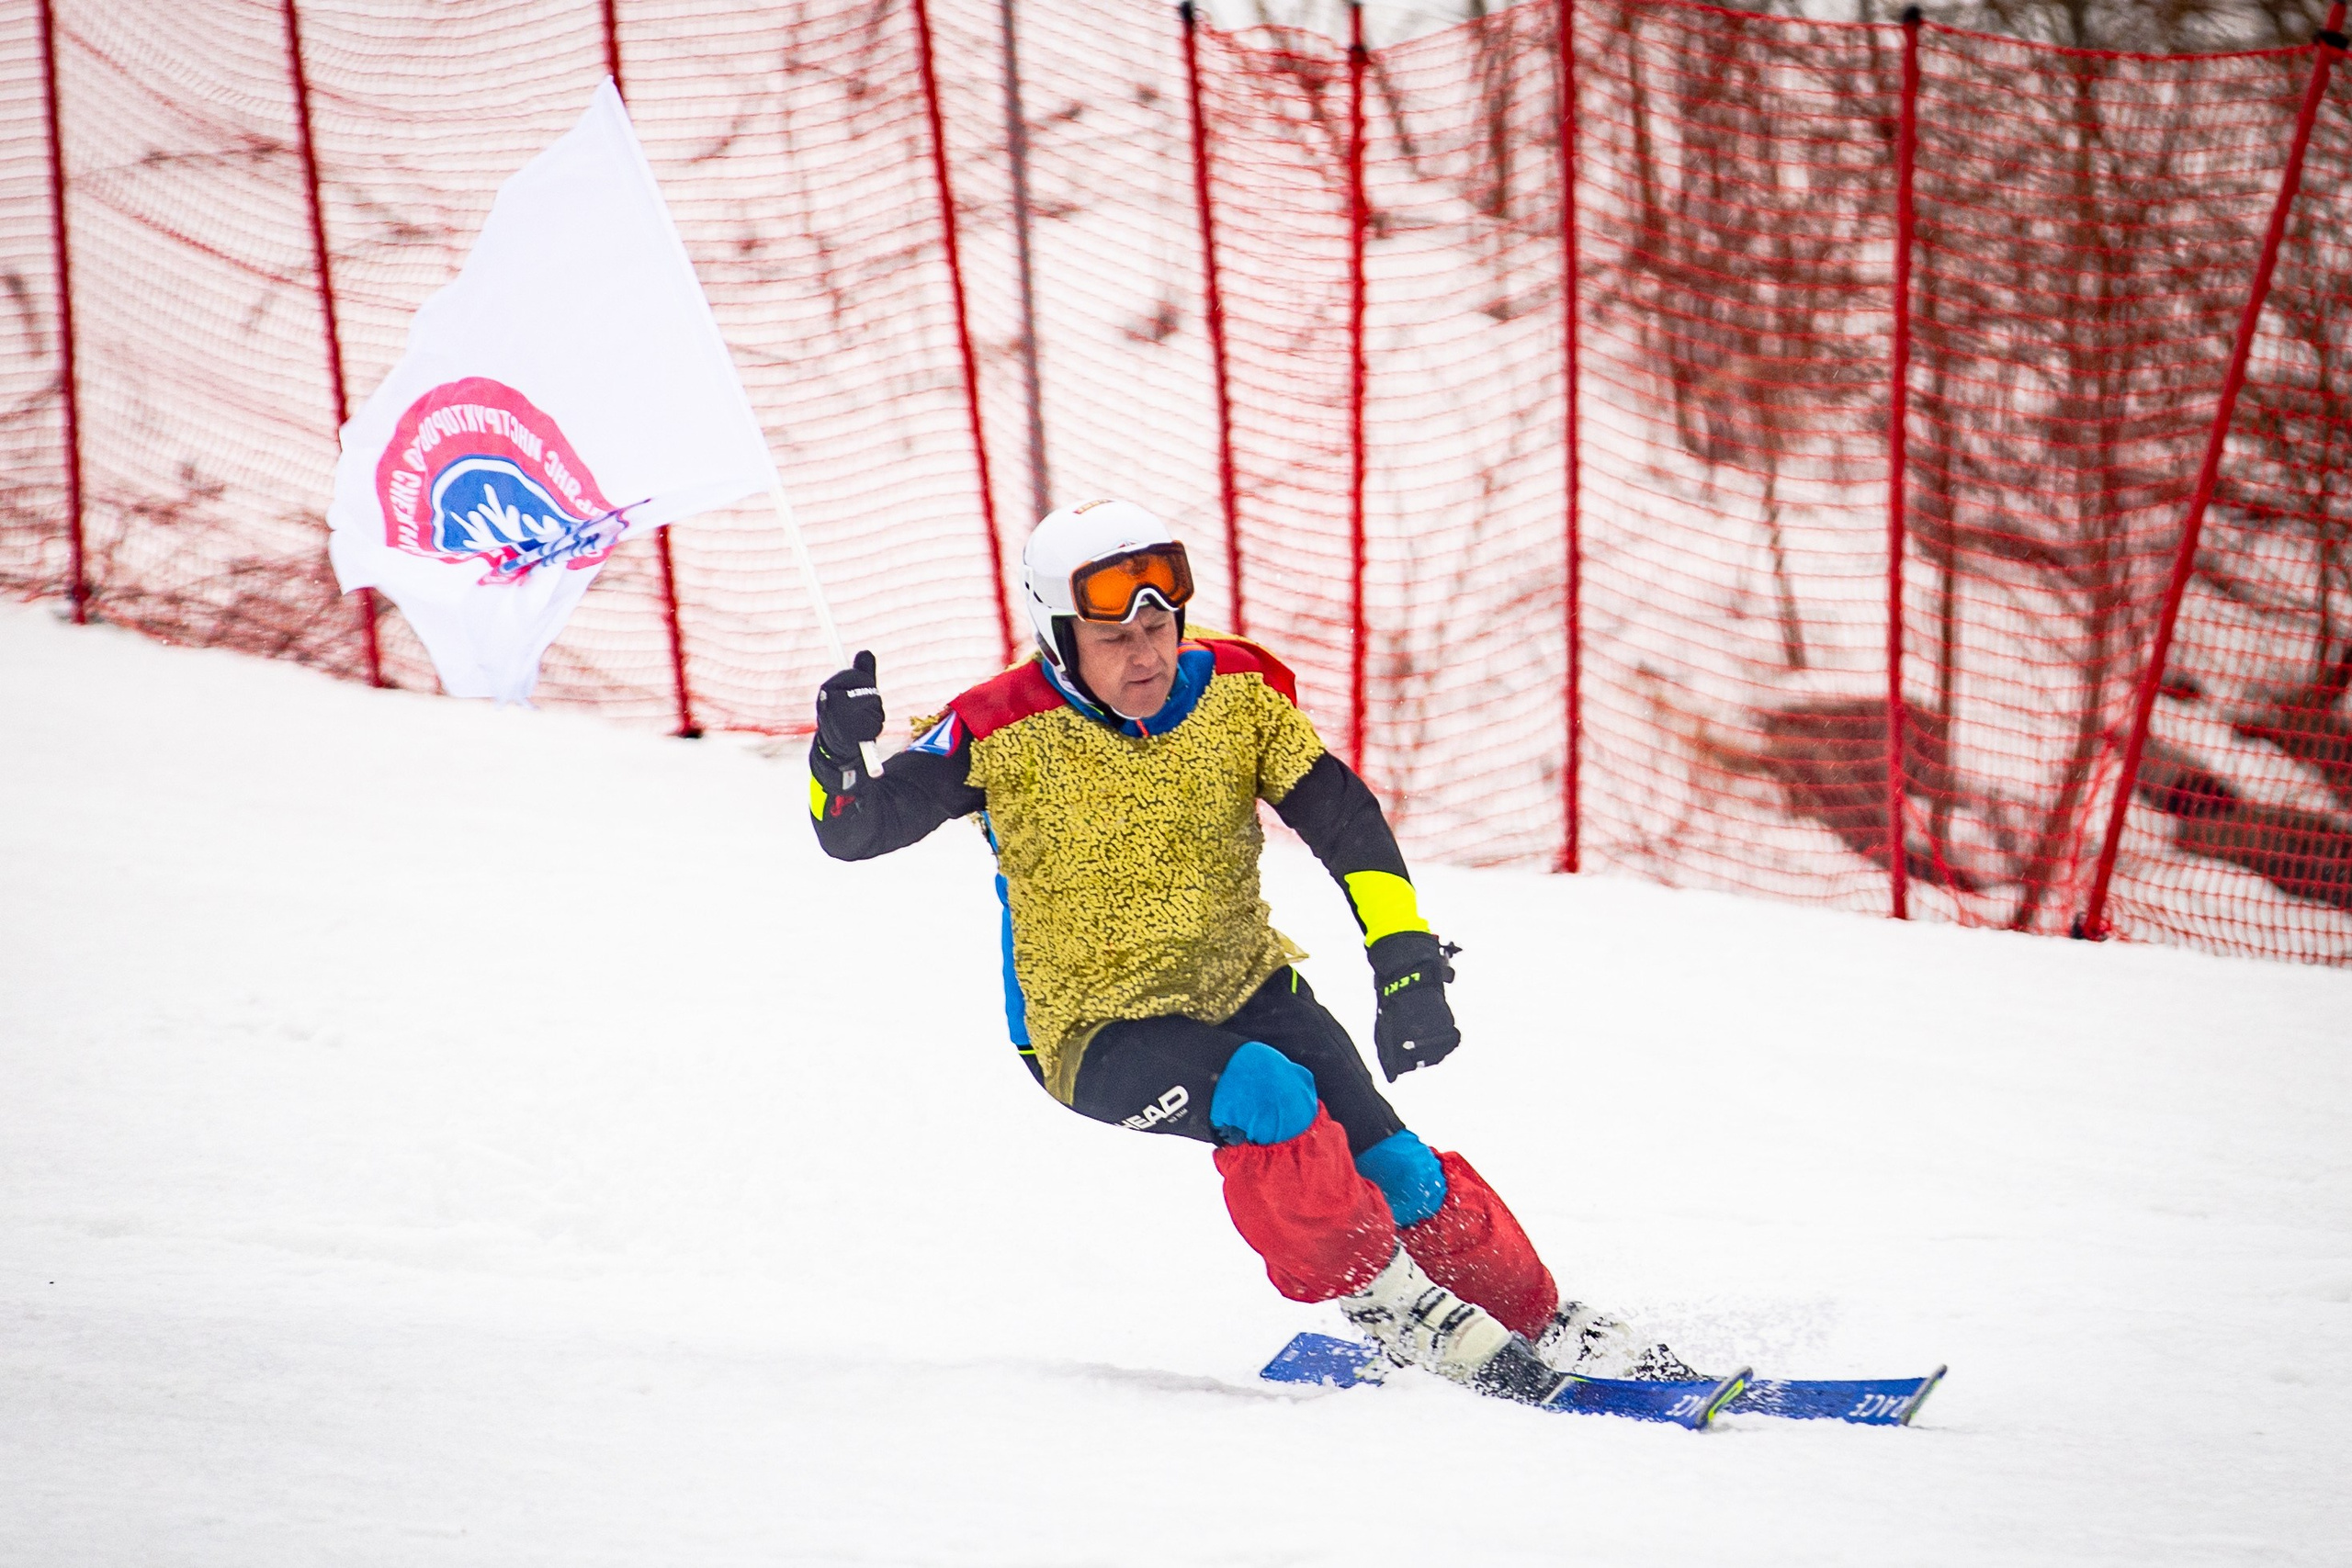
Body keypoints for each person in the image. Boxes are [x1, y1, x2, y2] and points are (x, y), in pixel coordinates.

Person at [805, 498, 1683, 1402]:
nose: (1145, 654)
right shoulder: (998, 726)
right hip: (1089, 1028)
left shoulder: (1232, 691)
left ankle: (1536, 1321)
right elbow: (856, 831)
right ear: (1059, 639)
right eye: (1113, 637)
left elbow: (1341, 817)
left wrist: (1405, 960)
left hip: (1242, 983)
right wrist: (837, 755)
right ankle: (1386, 1301)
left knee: (1400, 1169)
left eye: (1158, 625)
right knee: (1267, 1093)